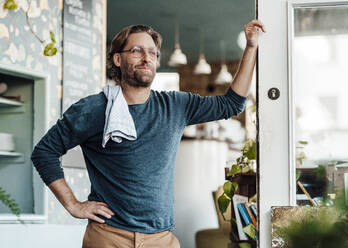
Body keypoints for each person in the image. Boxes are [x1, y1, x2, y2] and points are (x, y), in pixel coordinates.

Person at [31, 20, 265, 248]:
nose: (147, 58)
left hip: (161, 239)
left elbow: (231, 104)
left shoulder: (175, 105)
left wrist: (251, 47)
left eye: (153, 53)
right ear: (117, 59)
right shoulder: (93, 109)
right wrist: (73, 205)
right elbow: (44, 152)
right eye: (137, 51)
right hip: (108, 236)